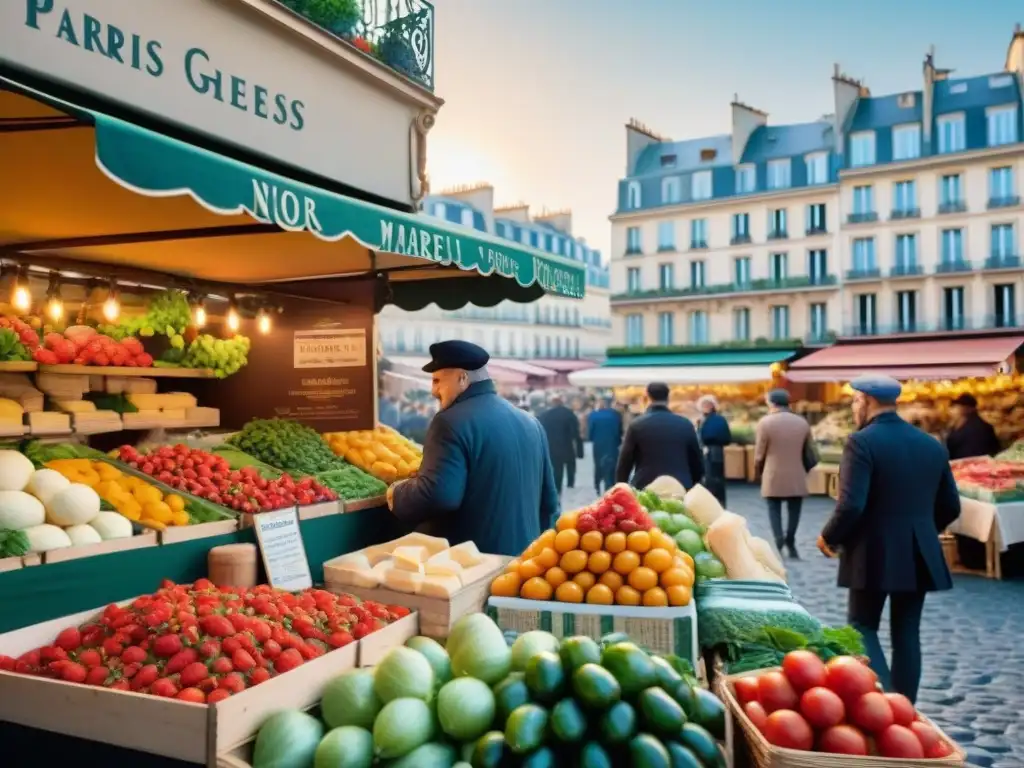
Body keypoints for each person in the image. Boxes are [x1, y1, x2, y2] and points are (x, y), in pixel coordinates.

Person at [817, 375, 960, 705]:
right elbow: (951, 505)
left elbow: (852, 503)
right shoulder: (931, 444)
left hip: (872, 550)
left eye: (855, 401)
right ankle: (906, 707)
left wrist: (828, 536)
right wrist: (921, 529)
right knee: (907, 632)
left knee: (861, 626)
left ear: (866, 400)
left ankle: (888, 703)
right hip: (918, 550)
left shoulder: (862, 442)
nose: (854, 407)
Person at [387, 341, 560, 557]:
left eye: (437, 381)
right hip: (523, 563)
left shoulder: (450, 421)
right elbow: (550, 503)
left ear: (462, 378)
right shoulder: (531, 423)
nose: (433, 391)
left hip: (475, 563)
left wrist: (398, 492)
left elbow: (439, 495)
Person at [755, 389, 812, 559]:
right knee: (795, 509)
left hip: (772, 473)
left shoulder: (765, 423)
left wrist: (757, 472)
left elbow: (759, 454)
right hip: (797, 473)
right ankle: (791, 540)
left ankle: (778, 540)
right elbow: (810, 451)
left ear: (772, 402)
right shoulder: (802, 422)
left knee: (774, 508)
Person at [615, 382, 704, 491]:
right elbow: (697, 462)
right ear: (668, 397)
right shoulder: (685, 424)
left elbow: (625, 462)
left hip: (646, 488)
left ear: (647, 397)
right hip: (680, 487)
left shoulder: (637, 425)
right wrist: (693, 484)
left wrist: (621, 487)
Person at [537, 395, 584, 494]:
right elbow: (575, 433)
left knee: (557, 468)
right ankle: (570, 483)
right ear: (561, 403)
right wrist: (580, 452)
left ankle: (557, 487)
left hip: (552, 446)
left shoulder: (545, 415)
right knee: (570, 464)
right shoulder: (569, 413)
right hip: (567, 445)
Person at [697, 395, 732, 507]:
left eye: (708, 404)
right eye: (703, 404)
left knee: (714, 479)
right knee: (707, 479)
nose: (705, 407)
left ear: (713, 406)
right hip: (704, 452)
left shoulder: (718, 420)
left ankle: (718, 504)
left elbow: (726, 437)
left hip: (714, 452)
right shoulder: (701, 420)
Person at [945, 393, 1001, 460]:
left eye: (955, 407)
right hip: (982, 464)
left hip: (968, 465)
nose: (951, 411)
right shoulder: (984, 425)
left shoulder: (972, 428)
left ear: (965, 409)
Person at [587, 396, 623, 495]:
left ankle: (597, 484)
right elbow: (620, 431)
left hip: (598, 444)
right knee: (611, 465)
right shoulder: (616, 415)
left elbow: (590, 432)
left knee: (598, 464)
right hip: (612, 443)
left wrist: (591, 438)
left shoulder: (593, 415)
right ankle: (610, 485)